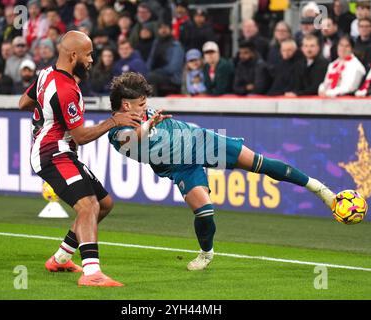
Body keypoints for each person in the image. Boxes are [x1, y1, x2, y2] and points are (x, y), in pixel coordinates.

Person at [107, 72, 337, 271]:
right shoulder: (117, 133)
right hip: (180, 167)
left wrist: (150, 122)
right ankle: (206, 253)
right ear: (126, 105)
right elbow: (133, 139)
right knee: (205, 211)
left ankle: (319, 189)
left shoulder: (143, 114)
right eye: (141, 103)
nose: (145, 106)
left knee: (259, 163)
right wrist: (149, 125)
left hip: (201, 141)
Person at [18, 31, 141, 287]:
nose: (91, 60)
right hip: (52, 153)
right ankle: (92, 273)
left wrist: (46, 115)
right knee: (88, 206)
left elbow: (23, 103)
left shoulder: (45, 74)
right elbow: (82, 136)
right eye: (88, 54)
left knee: (104, 204)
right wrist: (114, 121)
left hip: (60, 150)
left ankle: (61, 258)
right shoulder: (65, 90)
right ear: (73, 55)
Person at [146, 21, 184, 96]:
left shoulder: (176, 45)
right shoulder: (156, 44)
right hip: (156, 74)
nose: (163, 30)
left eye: (165, 27)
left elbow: (173, 68)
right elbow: (149, 62)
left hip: (172, 78)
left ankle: (153, 104)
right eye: (160, 28)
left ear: (170, 29)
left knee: (152, 77)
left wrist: (157, 71)